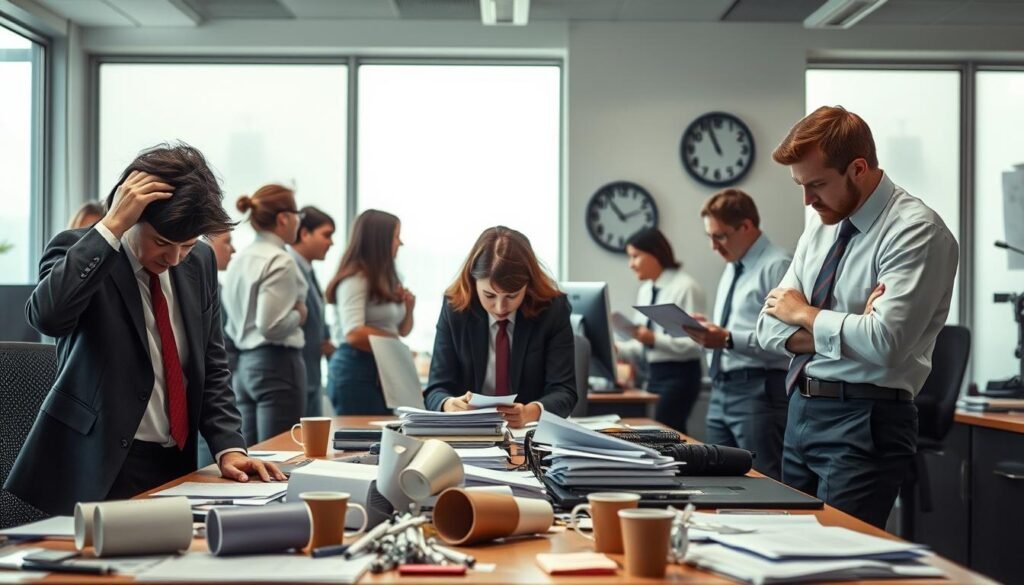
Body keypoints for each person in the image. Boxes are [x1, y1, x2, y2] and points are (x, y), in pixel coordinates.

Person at [5, 143, 284, 516]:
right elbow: (47, 317)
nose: (173, 259)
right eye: (162, 243)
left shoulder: (199, 261)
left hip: (174, 465)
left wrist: (230, 447)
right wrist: (111, 227)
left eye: (185, 245)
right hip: (99, 468)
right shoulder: (79, 250)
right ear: (130, 214)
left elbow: (211, 365)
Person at [756, 106, 959, 528]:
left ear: (859, 168)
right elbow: (768, 328)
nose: (808, 201)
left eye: (817, 184)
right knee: (788, 547)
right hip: (801, 410)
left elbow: (885, 344)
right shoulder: (822, 224)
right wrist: (842, 324)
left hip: (865, 420)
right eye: (800, 186)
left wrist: (805, 313)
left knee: (836, 561)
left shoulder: (914, 231)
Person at [684, 189, 792, 480]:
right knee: (717, 478)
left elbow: (786, 339)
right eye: (710, 237)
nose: (713, 246)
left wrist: (727, 339)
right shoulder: (734, 266)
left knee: (764, 481)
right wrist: (711, 330)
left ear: (746, 226)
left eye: (719, 236)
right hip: (722, 389)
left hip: (758, 391)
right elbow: (741, 323)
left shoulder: (777, 265)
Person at [424, 226, 577, 427]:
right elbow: (436, 389)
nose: (500, 307)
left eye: (512, 296)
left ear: (528, 285)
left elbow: (564, 391)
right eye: (489, 295)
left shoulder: (552, 310)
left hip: (530, 434)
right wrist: (450, 404)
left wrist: (530, 412)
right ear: (473, 282)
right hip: (470, 434)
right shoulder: (456, 309)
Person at [223, 184, 309, 445]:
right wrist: (299, 313)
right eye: (297, 215)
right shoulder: (279, 260)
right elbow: (270, 326)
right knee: (280, 454)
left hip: (245, 367)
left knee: (251, 456)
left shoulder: (240, 259)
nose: (298, 221)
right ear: (284, 218)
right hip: (277, 365)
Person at [616, 228, 706, 434]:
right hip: (654, 375)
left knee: (666, 436)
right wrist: (616, 348)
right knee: (657, 435)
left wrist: (653, 339)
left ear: (654, 253)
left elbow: (696, 344)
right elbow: (643, 346)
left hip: (680, 375)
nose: (631, 264)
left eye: (635, 256)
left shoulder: (686, 287)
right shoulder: (646, 290)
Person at [324, 210, 413, 415]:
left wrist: (409, 308)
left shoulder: (389, 278)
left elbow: (403, 330)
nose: (400, 243)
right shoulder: (355, 279)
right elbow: (354, 333)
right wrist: (396, 344)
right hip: (357, 369)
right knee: (362, 441)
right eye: (396, 236)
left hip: (382, 367)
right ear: (379, 240)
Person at [288, 206, 336, 417]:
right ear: (304, 233)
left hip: (311, 375)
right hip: (295, 376)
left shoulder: (308, 271)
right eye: (326, 235)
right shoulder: (288, 268)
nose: (331, 242)